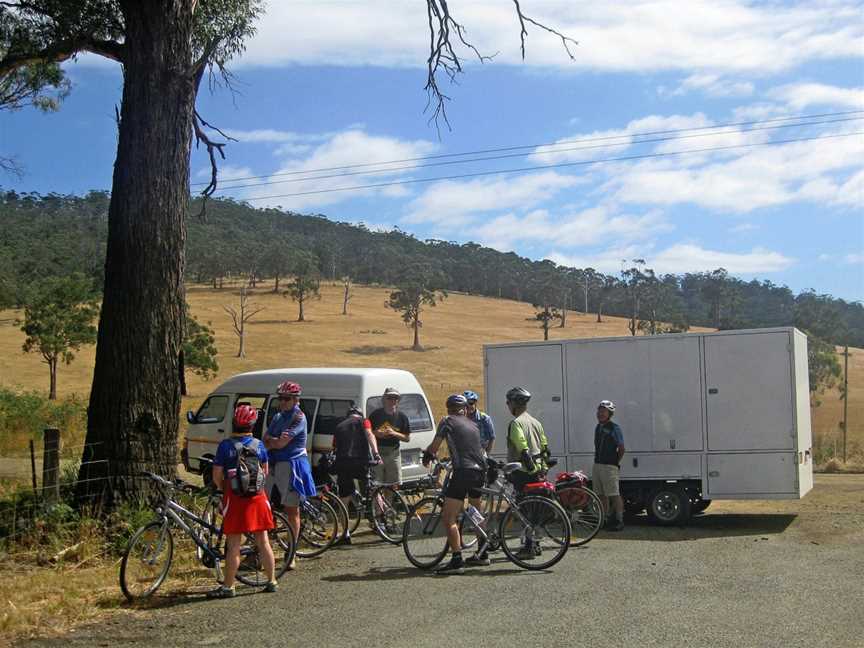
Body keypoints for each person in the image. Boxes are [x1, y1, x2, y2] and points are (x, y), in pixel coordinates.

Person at [208, 404, 276, 598]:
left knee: (234, 545)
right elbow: (265, 471)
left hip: (235, 499)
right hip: (258, 498)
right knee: (263, 541)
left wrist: (223, 489)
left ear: (233, 423)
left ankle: (228, 586)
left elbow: (216, 475)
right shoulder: (259, 445)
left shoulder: (225, 446)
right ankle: (271, 580)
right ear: (252, 425)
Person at [422, 394, 488, 575]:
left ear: (448, 409)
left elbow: (435, 445)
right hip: (479, 471)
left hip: (463, 471)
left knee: (448, 517)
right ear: (465, 409)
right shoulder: (473, 424)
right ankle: (483, 552)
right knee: (475, 511)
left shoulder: (447, 421)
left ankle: (457, 560)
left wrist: (427, 456)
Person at [263, 380, 317, 568]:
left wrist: (273, 441)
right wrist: (273, 441)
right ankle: (259, 551)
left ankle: (291, 552)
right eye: (280, 398)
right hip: (273, 464)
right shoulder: (278, 416)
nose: (282, 402)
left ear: (295, 400)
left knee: (291, 510)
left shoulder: (298, 418)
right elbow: (266, 439)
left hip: (293, 466)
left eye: (286, 399)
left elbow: (279, 443)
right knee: (264, 507)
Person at [332, 405, 382, 544]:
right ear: (360, 415)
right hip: (362, 462)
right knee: (374, 491)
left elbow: (334, 447)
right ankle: (381, 523)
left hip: (344, 463)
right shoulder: (364, 421)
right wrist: (376, 453)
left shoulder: (339, 426)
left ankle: (346, 534)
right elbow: (370, 434)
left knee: (344, 499)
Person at [504, 387, 550, 493]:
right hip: (538, 470)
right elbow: (545, 448)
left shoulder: (516, 423)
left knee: (522, 506)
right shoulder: (536, 423)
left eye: (508, 402)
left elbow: (523, 449)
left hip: (523, 471)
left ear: (514, 403)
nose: (507, 405)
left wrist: (530, 469)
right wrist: (542, 469)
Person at [593, 399, 625, 531]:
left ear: (609, 413)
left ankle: (619, 520)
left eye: (603, 411)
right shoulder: (598, 427)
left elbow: (621, 448)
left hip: (609, 466)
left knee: (614, 494)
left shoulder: (614, 428)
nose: (600, 413)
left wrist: (615, 462)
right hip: (598, 465)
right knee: (601, 495)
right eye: (599, 411)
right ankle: (604, 519)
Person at [368, 387, 411, 486]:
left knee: (393, 485)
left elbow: (407, 438)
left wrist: (394, 433)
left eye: (395, 398)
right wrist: (377, 433)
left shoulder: (402, 417)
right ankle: (377, 502)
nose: (392, 401)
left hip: (394, 454)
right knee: (376, 485)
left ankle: (389, 502)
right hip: (378, 453)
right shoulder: (375, 415)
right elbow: (368, 433)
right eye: (389, 398)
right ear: (384, 399)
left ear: (398, 401)